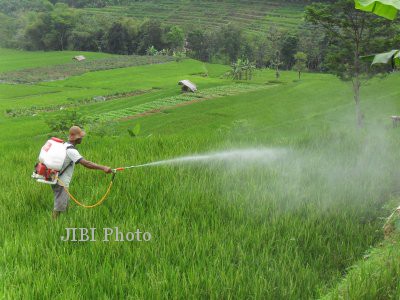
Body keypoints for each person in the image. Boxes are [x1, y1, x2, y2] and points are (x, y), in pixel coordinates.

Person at [52, 126, 112, 219]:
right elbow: (86, 164)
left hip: (58, 179)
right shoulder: (71, 151)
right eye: (81, 137)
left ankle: (65, 221)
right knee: (59, 207)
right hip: (61, 182)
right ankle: (54, 225)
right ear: (77, 138)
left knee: (64, 204)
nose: (82, 138)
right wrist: (103, 168)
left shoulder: (65, 145)